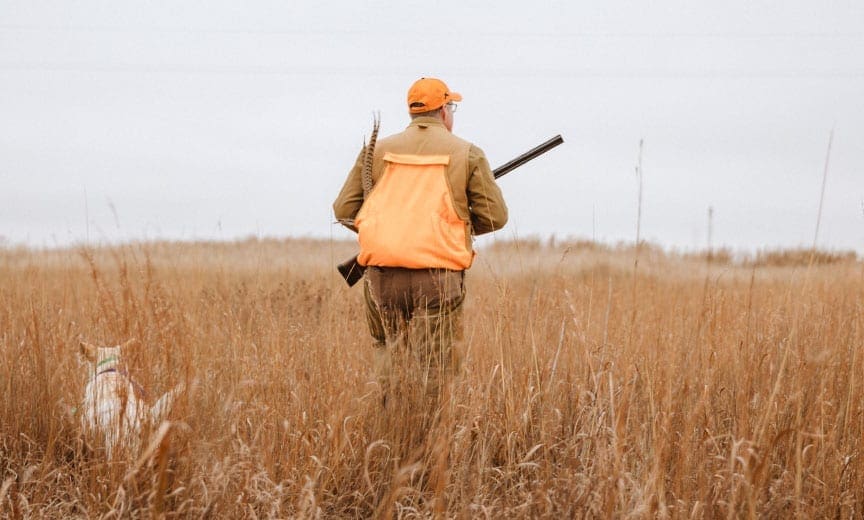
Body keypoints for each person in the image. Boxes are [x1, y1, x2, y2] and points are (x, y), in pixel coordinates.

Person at [333, 77, 508, 406]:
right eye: (451, 107)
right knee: (437, 368)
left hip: (382, 278)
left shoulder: (378, 150)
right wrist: (454, 225)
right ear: (444, 111)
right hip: (438, 280)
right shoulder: (467, 153)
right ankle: (430, 444)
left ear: (413, 113)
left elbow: (344, 209)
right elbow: (495, 217)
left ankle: (391, 432)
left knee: (389, 356)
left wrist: (389, 231)